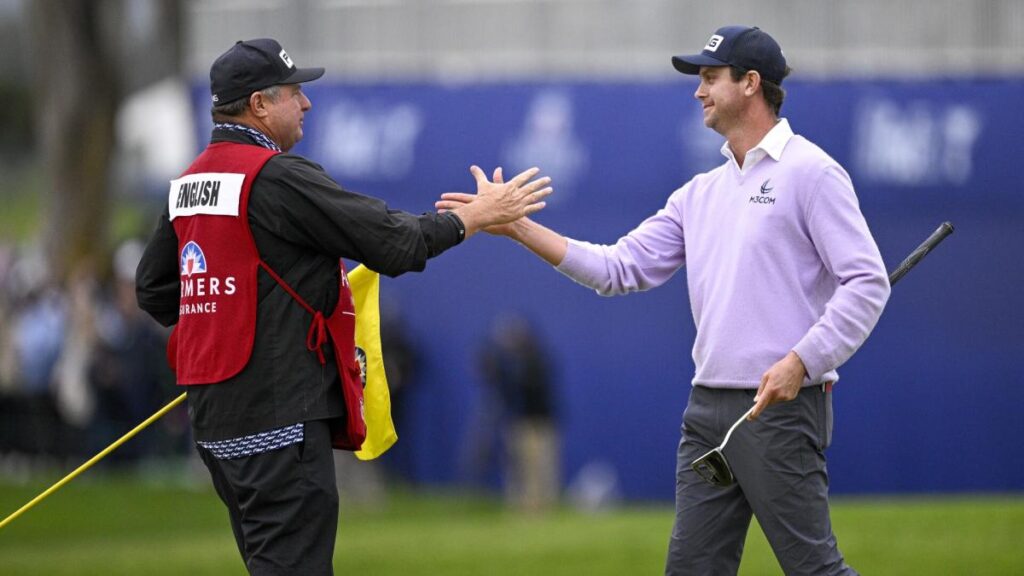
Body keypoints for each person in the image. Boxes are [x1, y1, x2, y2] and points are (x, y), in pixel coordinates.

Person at [438, 25, 890, 575]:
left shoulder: (813, 173)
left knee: (814, 568)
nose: (698, 91)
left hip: (781, 409)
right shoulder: (700, 193)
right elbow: (616, 268)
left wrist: (803, 361)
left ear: (750, 83)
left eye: (709, 78)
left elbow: (866, 282)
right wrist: (518, 228)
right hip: (707, 414)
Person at [135, 38, 551, 575]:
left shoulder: (188, 182)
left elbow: (155, 291)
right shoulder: (278, 176)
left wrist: (234, 314)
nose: (306, 103)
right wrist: (474, 218)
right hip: (280, 418)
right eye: (295, 92)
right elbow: (394, 242)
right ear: (259, 104)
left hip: (216, 421)